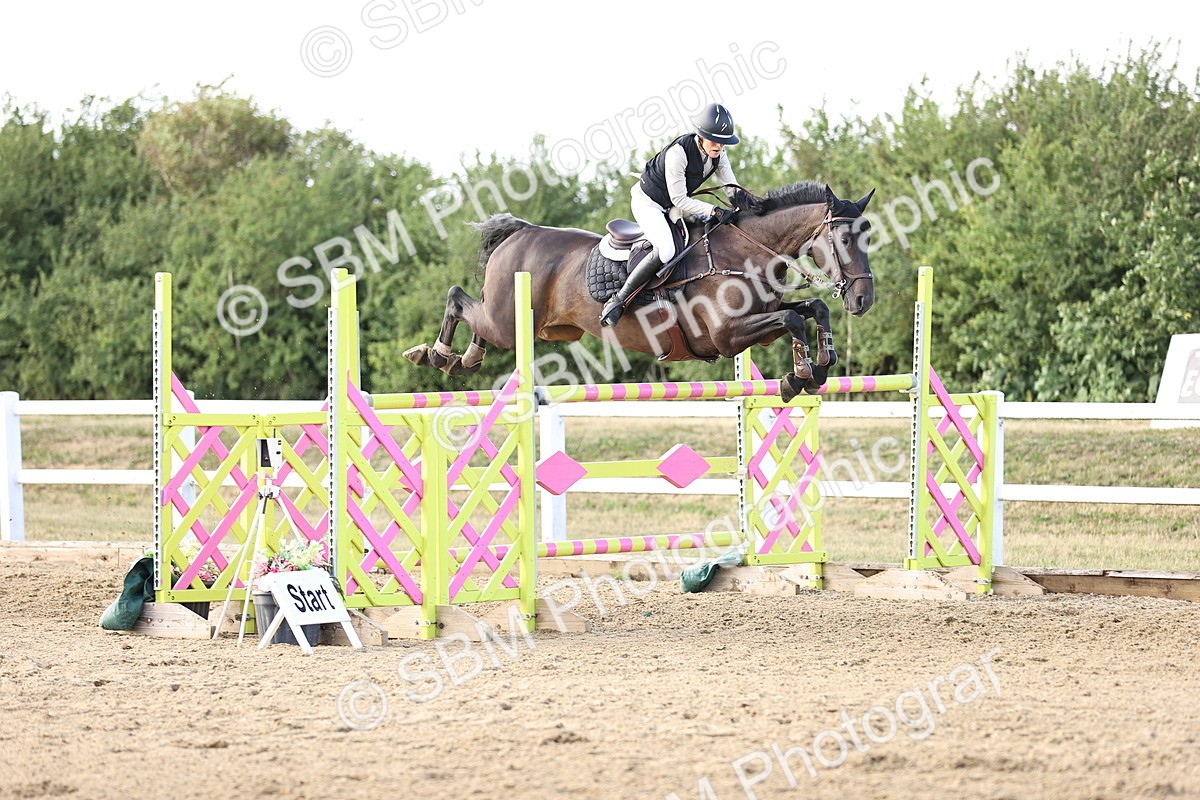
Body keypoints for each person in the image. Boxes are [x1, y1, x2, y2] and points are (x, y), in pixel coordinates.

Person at [599, 102, 741, 327]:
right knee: (667, 250)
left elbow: (731, 187)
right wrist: (714, 210)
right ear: (701, 136)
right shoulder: (679, 153)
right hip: (650, 203)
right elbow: (680, 200)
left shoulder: (719, 154)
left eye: (723, 142)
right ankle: (618, 300)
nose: (719, 146)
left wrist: (747, 206)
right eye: (714, 141)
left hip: (672, 205)